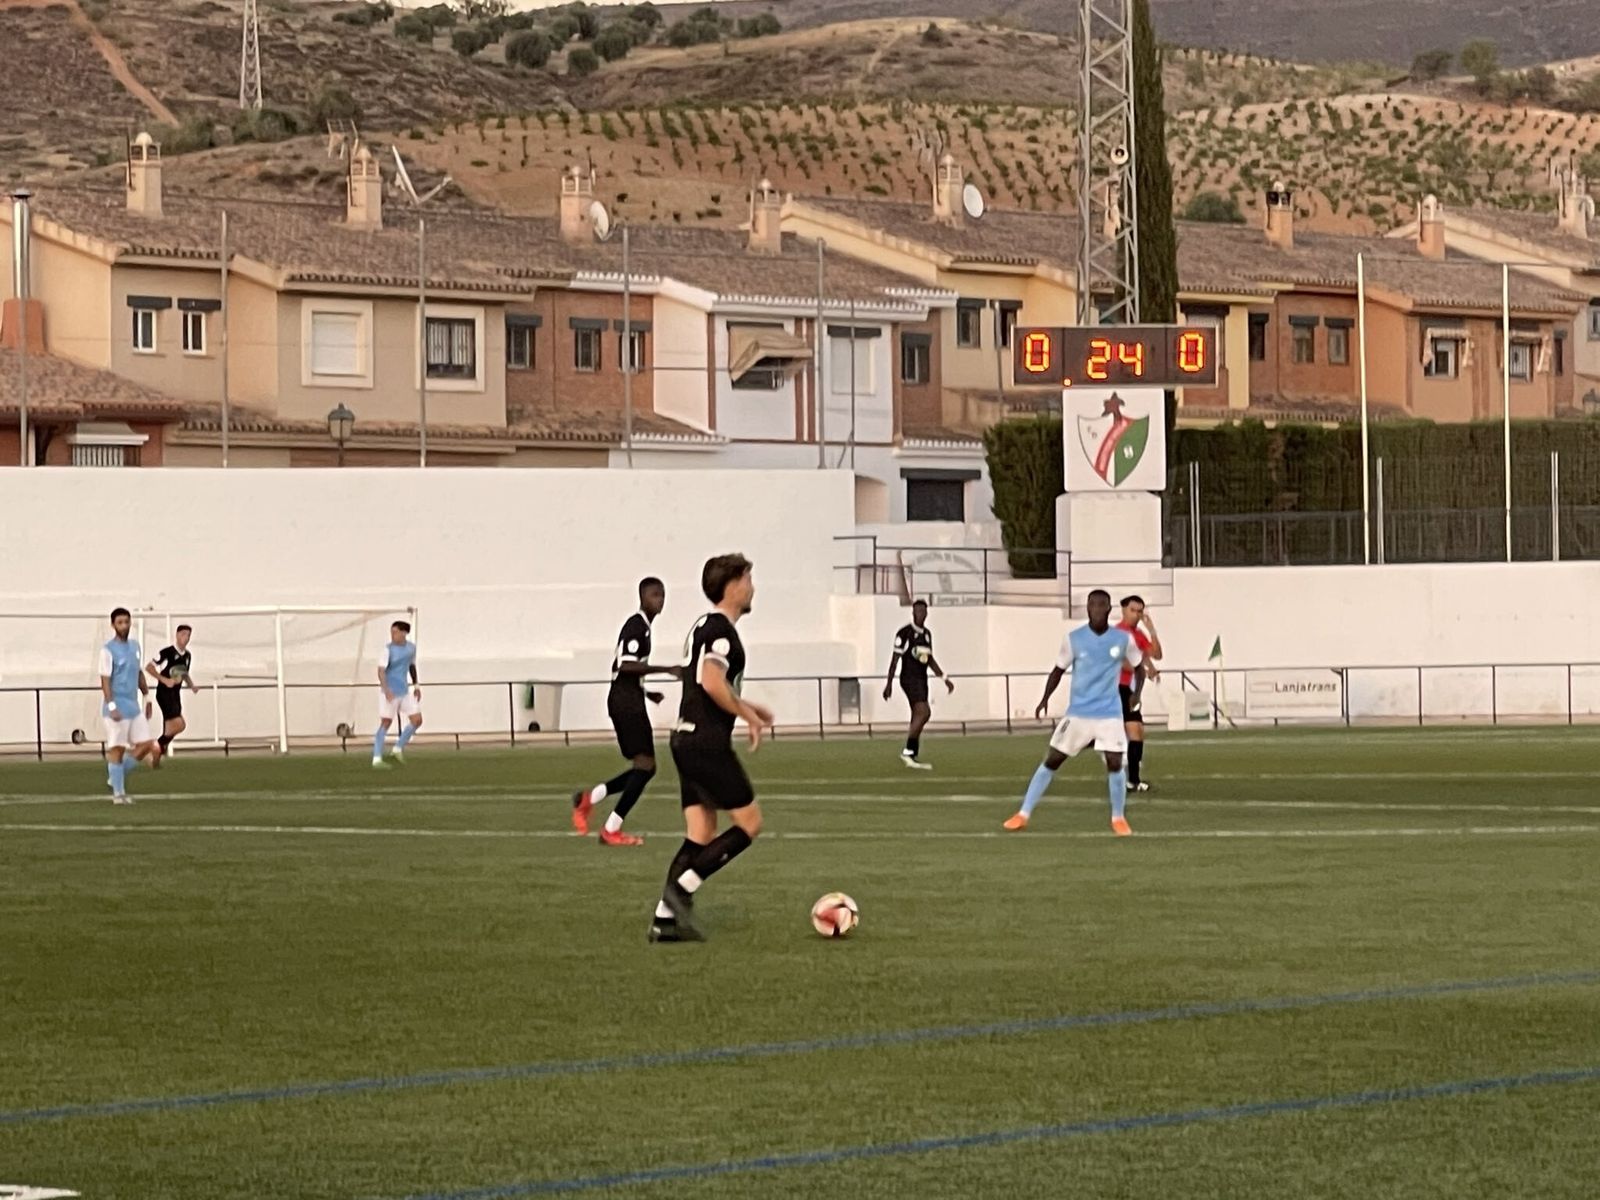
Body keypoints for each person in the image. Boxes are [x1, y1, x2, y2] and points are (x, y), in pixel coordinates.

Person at [650, 553, 773, 944]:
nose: (753, 587)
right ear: (733, 584)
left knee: (701, 832)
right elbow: (711, 682)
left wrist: (748, 707)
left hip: (683, 738)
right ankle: (682, 888)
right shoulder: (721, 631)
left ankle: (663, 922)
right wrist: (748, 716)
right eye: (748, 579)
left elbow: (710, 685)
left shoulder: (704, 626)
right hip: (704, 743)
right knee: (750, 824)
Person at [1003, 589, 1143, 837]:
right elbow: (1058, 670)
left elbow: (1139, 668)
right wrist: (1044, 698)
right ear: (1087, 608)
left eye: (1102, 605)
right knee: (1053, 759)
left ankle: (1118, 818)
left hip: (1109, 713)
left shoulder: (1122, 639)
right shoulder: (1074, 639)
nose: (1098, 609)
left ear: (1109, 609)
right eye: (1093, 605)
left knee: (1114, 762)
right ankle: (1023, 813)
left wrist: (1136, 694)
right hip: (1078, 713)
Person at [572, 577, 681, 846]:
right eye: (655, 594)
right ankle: (611, 828)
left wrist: (646, 692)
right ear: (642, 597)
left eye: (662, 595)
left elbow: (622, 669)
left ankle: (590, 799)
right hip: (625, 703)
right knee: (645, 766)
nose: (660, 600)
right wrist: (666, 669)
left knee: (645, 767)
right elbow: (625, 665)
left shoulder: (643, 628)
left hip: (629, 698)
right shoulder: (636, 626)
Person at [883, 599, 954, 770]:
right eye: (917, 612)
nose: (920, 615)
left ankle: (911, 754)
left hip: (922, 680)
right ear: (913, 613)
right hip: (908, 678)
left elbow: (929, 659)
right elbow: (894, 660)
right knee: (924, 712)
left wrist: (944, 678)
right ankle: (908, 751)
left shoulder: (927, 635)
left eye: (923, 611)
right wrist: (889, 684)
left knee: (918, 715)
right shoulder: (904, 634)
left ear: (927, 613)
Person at [100, 607, 159, 803]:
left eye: (126, 621)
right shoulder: (107, 650)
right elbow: (105, 681)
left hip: (133, 706)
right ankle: (119, 794)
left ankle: (115, 775)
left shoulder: (135, 646)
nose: (124, 625)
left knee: (145, 745)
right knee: (117, 748)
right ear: (113, 625)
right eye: (120, 622)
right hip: (116, 708)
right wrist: (111, 706)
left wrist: (148, 697)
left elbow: (138, 673)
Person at [1117, 596, 1163, 793]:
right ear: (1123, 610)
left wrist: (1151, 629)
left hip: (1131, 690)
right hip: (1114, 689)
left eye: (1140, 611)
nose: (1136, 615)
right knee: (1106, 732)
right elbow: (1119, 660)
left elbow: (1156, 654)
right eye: (1133, 610)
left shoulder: (1138, 634)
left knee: (1136, 732)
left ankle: (1133, 781)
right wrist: (1139, 667)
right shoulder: (1116, 634)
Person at [372, 620, 421, 768]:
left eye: (395, 632)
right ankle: (377, 758)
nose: (393, 635)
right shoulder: (388, 650)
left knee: (417, 720)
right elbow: (381, 671)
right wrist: (386, 690)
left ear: (404, 633)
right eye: (391, 632)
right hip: (390, 691)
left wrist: (416, 685)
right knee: (386, 723)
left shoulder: (411, 648)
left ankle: (397, 748)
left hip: (404, 691)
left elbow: (411, 666)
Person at [147, 624, 199, 761]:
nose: (186, 638)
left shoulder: (187, 655)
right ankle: (156, 747)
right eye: (183, 634)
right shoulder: (167, 652)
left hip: (175, 694)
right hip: (164, 693)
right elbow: (149, 668)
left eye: (188, 635)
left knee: (171, 728)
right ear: (176, 635)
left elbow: (184, 673)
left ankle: (156, 754)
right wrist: (164, 680)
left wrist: (192, 685)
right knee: (179, 725)